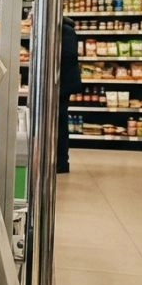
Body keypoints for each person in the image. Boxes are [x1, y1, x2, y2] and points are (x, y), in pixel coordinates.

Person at [58, 16, 82, 173]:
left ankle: (61, 162)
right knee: (59, 122)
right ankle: (59, 159)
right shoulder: (64, 30)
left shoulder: (66, 31)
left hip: (63, 84)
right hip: (61, 83)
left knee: (60, 122)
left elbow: (69, 55)